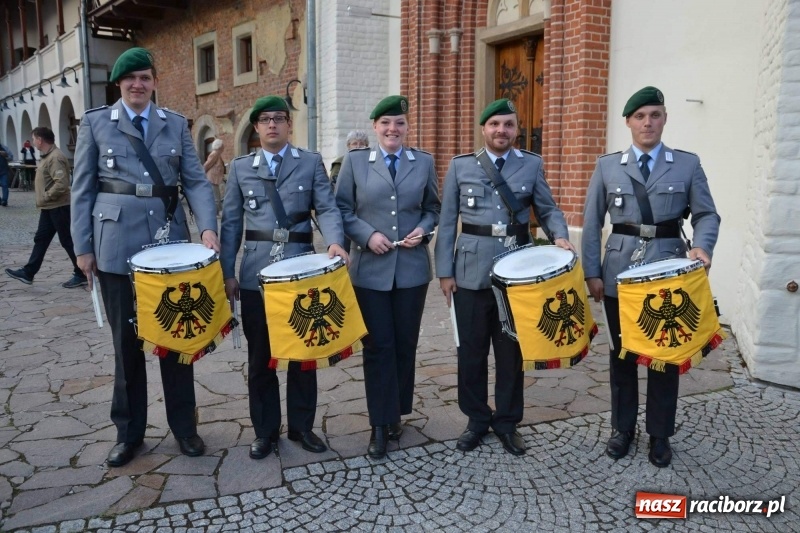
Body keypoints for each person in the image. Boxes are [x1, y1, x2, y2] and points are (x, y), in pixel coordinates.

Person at [71, 47, 219, 468]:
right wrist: (83, 248)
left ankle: (185, 429)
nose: (138, 84)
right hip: (116, 248)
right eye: (130, 78)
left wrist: (207, 228)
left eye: (145, 78)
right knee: (126, 348)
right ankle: (129, 433)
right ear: (119, 84)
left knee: (177, 338)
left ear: (154, 82)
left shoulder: (173, 124)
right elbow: (82, 190)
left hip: (169, 246)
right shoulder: (97, 123)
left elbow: (195, 181)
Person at [582, 86, 720, 467]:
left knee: (664, 356)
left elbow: (707, 214)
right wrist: (591, 271)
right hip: (619, 273)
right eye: (640, 116)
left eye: (655, 115)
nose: (648, 123)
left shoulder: (687, 165)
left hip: (667, 274)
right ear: (628, 122)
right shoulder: (608, 166)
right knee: (621, 357)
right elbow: (592, 222)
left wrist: (703, 247)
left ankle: (660, 434)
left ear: (664, 118)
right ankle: (622, 429)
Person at [434, 98, 573, 457]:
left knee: (511, 353)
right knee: (472, 352)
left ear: (516, 129)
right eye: (495, 124)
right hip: (470, 273)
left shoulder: (531, 165)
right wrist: (445, 272)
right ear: (484, 128)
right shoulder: (461, 167)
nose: (502, 131)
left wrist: (559, 235)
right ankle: (477, 419)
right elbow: (447, 221)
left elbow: (547, 208)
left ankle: (508, 422)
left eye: (509, 125)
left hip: (518, 274)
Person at [221, 95, 348, 460]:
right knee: (261, 357)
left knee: (303, 354)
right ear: (257, 127)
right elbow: (230, 224)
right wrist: (227, 271)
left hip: (299, 271)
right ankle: (264, 431)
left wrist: (335, 241)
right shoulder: (241, 168)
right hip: (256, 273)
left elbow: (326, 207)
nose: (272, 125)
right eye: (265, 119)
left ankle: (302, 426)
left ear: (289, 125)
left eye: (279, 118)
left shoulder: (309, 163)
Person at [336, 95, 441, 459]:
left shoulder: (423, 162)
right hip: (370, 271)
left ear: (407, 127)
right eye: (385, 124)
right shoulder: (355, 163)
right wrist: (367, 235)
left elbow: (433, 208)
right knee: (378, 346)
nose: (392, 129)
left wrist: (424, 230)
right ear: (375, 128)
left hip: (411, 269)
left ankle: (397, 411)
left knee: (405, 344)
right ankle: (379, 423)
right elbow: (342, 209)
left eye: (399, 123)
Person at [5, 127, 86, 288]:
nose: (33, 141)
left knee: (67, 241)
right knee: (41, 239)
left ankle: (81, 272)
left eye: (34, 138)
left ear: (40, 140)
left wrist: (45, 196)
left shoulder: (55, 157)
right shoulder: (47, 157)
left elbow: (61, 184)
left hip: (59, 206)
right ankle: (28, 272)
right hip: (50, 207)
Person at [203, 138, 225, 215]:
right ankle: (215, 213)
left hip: (214, 178)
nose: (224, 147)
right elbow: (207, 164)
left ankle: (216, 212)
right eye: (222, 146)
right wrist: (202, 173)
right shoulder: (214, 154)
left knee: (217, 196)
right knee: (216, 197)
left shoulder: (217, 154)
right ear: (219, 146)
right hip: (212, 178)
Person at [0, 142, 10, 206]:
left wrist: (4, 154)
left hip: (3, 170)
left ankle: (4, 200)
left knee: (5, 185)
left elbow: (10, 156)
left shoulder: (3, 147)